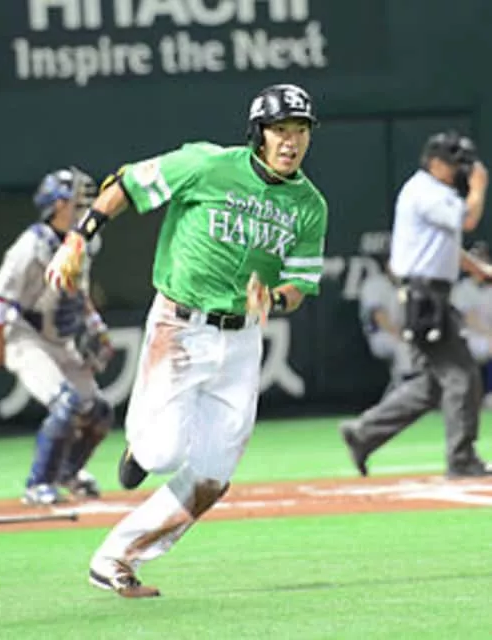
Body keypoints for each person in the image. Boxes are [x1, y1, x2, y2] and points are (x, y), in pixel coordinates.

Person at [44, 83, 328, 597]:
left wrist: (275, 299)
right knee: (162, 454)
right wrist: (78, 238)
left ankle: (115, 558)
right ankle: (142, 449)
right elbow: (127, 184)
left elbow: (300, 285)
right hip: (180, 324)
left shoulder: (310, 206)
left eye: (300, 131)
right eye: (280, 129)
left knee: (212, 477)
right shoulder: (206, 165)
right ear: (258, 133)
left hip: (242, 341)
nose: (291, 141)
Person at [340, 130, 492, 479]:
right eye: (455, 164)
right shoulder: (426, 191)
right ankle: (461, 458)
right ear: (435, 162)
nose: (461, 171)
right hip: (425, 296)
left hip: (428, 294)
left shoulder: (433, 192)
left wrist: (478, 269)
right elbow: (467, 220)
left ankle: (363, 434)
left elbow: (443, 246)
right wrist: (479, 186)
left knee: (433, 385)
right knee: (462, 376)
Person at [0, 167, 115, 505]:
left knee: (100, 412)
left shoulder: (81, 242)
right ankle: (37, 484)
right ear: (58, 205)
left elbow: (79, 294)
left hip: (59, 339)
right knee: (66, 405)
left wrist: (97, 328)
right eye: (77, 201)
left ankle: (68, 473)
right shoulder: (32, 244)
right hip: (25, 336)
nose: (84, 206)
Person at [359, 249, 419, 391]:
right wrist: (401, 335)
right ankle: (407, 388)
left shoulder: (404, 287)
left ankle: (403, 390)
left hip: (400, 334)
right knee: (403, 348)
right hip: (380, 335)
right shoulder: (375, 284)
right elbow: (379, 317)